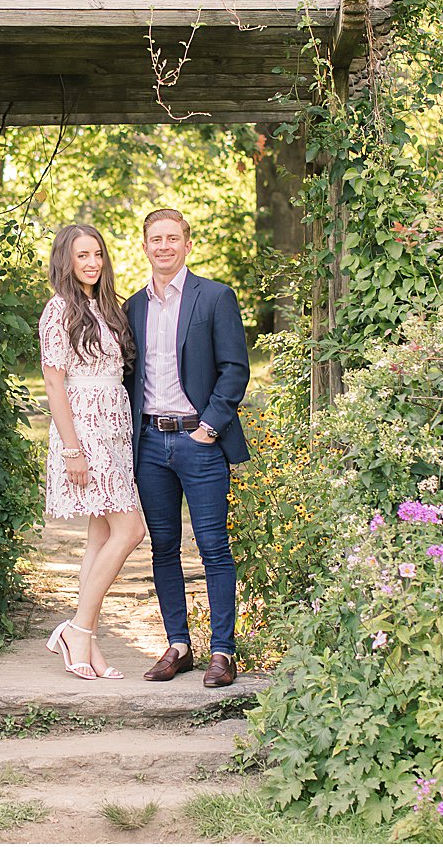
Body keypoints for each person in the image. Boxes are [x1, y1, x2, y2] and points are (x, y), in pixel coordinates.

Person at [124, 208, 250, 687]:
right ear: (145, 246)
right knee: (163, 547)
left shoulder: (215, 297)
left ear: (187, 244)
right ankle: (179, 645)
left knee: (214, 547)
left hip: (200, 440)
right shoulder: (133, 306)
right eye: (155, 239)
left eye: (172, 238)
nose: (164, 246)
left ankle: (223, 651)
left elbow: (235, 369)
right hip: (151, 444)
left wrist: (210, 429)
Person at [38, 224, 147, 680]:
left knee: (100, 537)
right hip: (84, 429)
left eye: (97, 254)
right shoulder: (58, 310)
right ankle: (76, 629)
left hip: (114, 428)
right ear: (65, 260)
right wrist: (72, 450)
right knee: (131, 530)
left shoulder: (104, 308)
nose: (92, 263)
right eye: (82, 255)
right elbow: (54, 383)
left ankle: (89, 643)